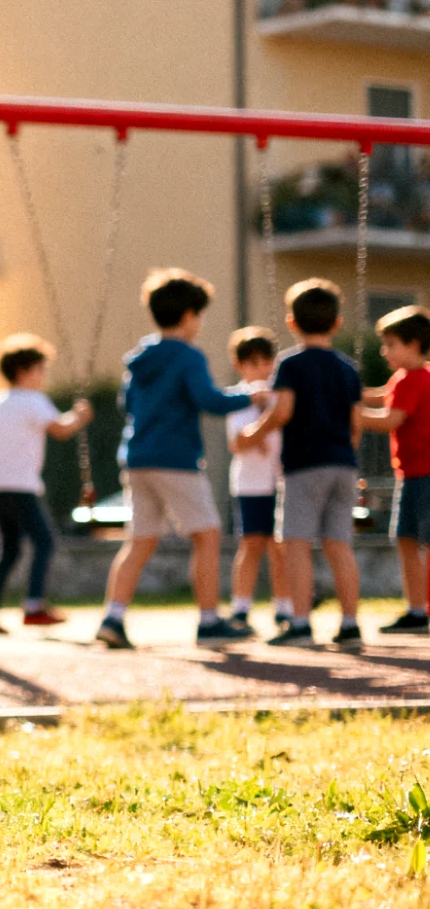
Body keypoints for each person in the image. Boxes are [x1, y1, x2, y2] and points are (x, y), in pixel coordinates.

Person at [94, 269, 260, 650]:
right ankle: (208, 621)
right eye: (199, 315)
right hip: (176, 459)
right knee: (207, 534)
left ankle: (112, 618)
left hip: (137, 458)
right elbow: (210, 400)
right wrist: (253, 395)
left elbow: (127, 403)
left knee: (139, 541)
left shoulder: (139, 359)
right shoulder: (188, 356)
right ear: (188, 316)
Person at [241, 279, 365, 648]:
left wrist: (254, 433)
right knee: (339, 545)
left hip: (304, 465)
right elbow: (356, 424)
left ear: (291, 323)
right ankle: (350, 623)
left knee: (295, 544)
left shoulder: (290, 364)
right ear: (337, 323)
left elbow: (284, 411)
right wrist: (345, 451)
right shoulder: (348, 368)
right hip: (343, 463)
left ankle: (299, 623)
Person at [0, 334, 92, 634]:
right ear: (24, 371)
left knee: (8, 549)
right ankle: (33, 606)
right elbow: (60, 429)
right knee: (44, 541)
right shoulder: (34, 400)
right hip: (21, 485)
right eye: (41, 370)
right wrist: (80, 416)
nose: (44, 377)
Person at [222, 327, 296, 641]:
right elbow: (237, 442)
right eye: (253, 363)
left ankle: (284, 607)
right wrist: (260, 424)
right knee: (251, 544)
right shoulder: (237, 399)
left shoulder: (282, 394)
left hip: (280, 481)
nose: (261, 370)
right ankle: (241, 608)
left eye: (267, 362)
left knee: (280, 548)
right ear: (240, 366)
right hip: (250, 483)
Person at [360, 305, 430, 634]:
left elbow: (390, 419)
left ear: (414, 344)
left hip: (423, 474)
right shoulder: (406, 378)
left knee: (417, 541)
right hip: (412, 473)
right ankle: (417, 609)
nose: (384, 351)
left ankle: (421, 608)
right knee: (406, 539)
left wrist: (352, 415)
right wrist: (351, 394)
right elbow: (382, 397)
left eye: (391, 344)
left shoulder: (413, 379)